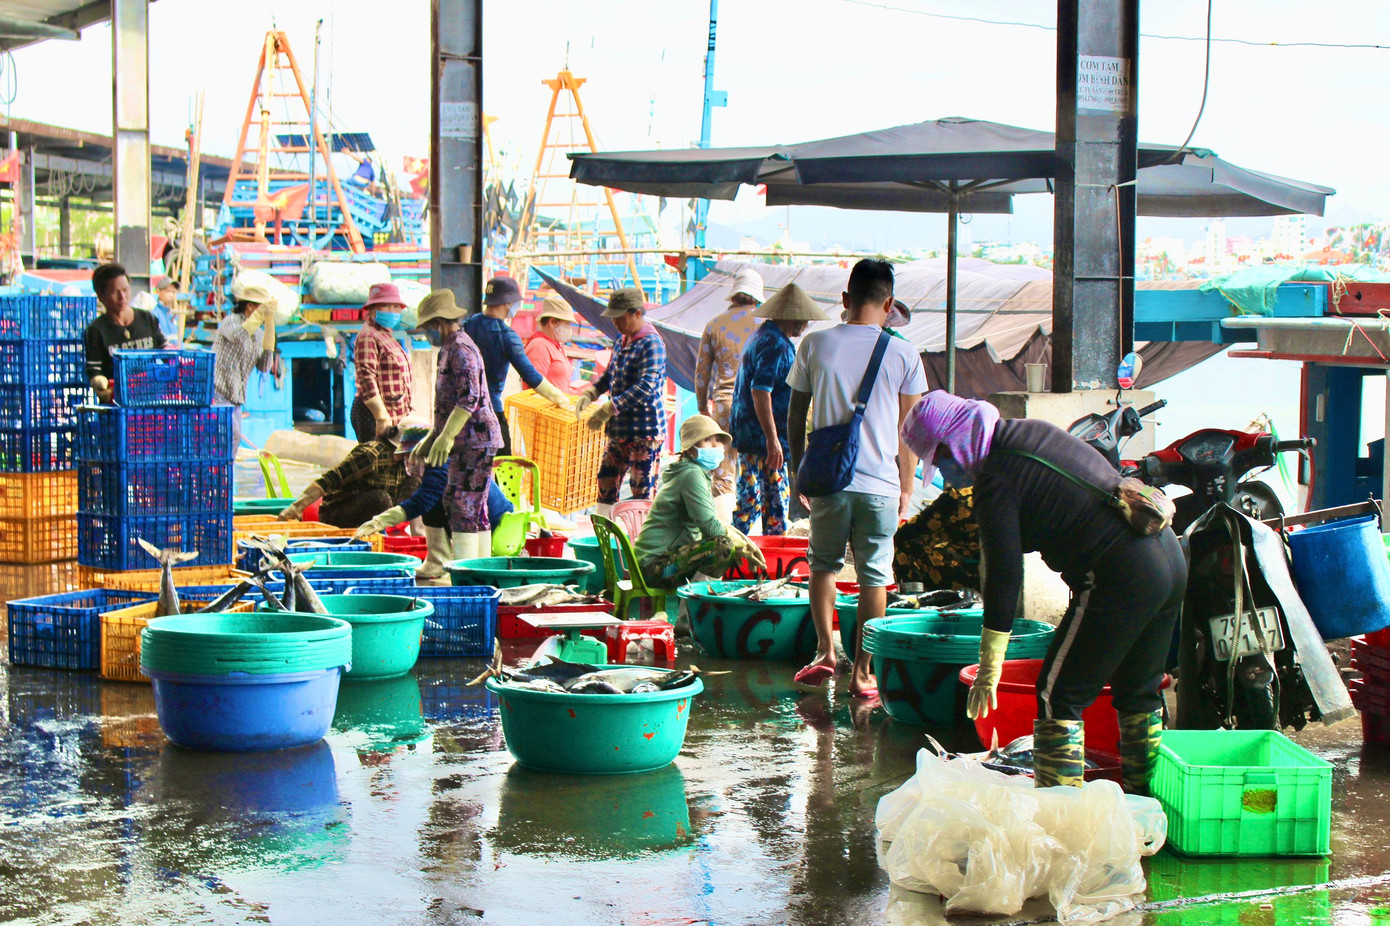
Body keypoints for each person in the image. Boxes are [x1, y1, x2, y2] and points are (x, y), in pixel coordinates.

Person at [900, 391, 1186, 793]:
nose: (946, 472)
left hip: (1119, 574)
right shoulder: (1030, 432)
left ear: (957, 440)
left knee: (1059, 697)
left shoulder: (996, 477)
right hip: (1167, 556)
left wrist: (990, 662)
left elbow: (1003, 575)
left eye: (942, 458)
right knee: (1138, 692)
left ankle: (1060, 810)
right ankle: (1146, 803)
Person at [787, 259, 927, 698]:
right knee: (874, 576)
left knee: (823, 566)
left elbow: (795, 414)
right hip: (881, 485)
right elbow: (911, 430)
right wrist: (907, 485)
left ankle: (825, 651)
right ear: (889, 304)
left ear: (845, 300)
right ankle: (862, 673)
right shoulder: (904, 353)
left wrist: (798, 472)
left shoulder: (815, 343)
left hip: (828, 480)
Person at [351, 427, 515, 583]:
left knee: (431, 504)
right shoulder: (445, 462)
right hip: (482, 522)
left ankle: (461, 571)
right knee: (433, 506)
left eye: (409, 456)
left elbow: (422, 500)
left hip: (498, 526)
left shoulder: (443, 466)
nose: (408, 462)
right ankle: (436, 562)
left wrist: (382, 520)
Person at [728, 282, 827, 537]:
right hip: (763, 439)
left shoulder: (762, 335)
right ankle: (751, 550)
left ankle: (736, 546)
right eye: (804, 320)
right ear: (794, 318)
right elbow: (760, 391)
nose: (805, 325)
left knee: (752, 500)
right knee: (771, 504)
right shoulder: (776, 345)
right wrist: (772, 439)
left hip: (750, 435)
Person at [416, 289, 503, 559]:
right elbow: (447, 403)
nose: (426, 333)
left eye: (426, 327)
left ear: (437, 323)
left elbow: (469, 398)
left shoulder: (461, 349)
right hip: (466, 440)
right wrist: (434, 435)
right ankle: (478, 569)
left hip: (476, 439)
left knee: (463, 504)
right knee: (471, 505)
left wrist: (446, 437)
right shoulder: (448, 347)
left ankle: (466, 573)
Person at [632, 415, 766, 587]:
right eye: (707, 440)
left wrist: (742, 539)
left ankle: (695, 598)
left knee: (726, 544)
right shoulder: (691, 474)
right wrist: (741, 545)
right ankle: (695, 601)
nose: (715, 445)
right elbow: (710, 527)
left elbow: (709, 520)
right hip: (652, 568)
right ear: (690, 448)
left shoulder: (690, 471)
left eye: (718, 440)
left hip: (653, 563)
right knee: (722, 546)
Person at [576, 288, 668, 520]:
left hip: (645, 432)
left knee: (641, 490)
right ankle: (604, 532)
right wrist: (592, 392)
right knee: (606, 481)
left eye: (620, 317)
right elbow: (610, 374)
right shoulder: (621, 340)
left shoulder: (651, 343)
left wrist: (609, 408)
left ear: (637, 314)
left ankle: (641, 537)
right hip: (619, 430)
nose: (615, 322)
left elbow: (646, 386)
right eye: (613, 317)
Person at [463, 276, 569, 456]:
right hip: (490, 410)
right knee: (502, 464)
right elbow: (531, 376)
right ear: (508, 303)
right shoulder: (506, 336)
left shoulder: (470, 323)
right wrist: (561, 399)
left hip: (463, 409)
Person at [695, 268, 764, 505]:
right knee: (751, 472)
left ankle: (722, 523)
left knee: (722, 472)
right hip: (756, 406)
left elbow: (702, 372)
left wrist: (702, 406)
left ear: (733, 295)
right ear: (756, 296)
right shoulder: (765, 326)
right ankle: (748, 523)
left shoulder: (713, 325)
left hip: (723, 405)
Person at [276, 425, 422, 528]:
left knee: (416, 482)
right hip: (338, 512)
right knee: (380, 499)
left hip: (379, 516)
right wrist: (296, 508)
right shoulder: (371, 455)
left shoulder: (406, 465)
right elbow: (328, 480)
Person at [84, 262, 168, 401]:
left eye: (125, 290)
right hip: (118, 401)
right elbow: (94, 370)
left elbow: (166, 351)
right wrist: (100, 385)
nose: (122, 297)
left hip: (151, 397)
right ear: (101, 295)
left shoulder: (147, 319)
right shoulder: (96, 330)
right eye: (114, 292)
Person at [212, 280, 276, 450]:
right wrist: (259, 315)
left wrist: (269, 327)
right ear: (250, 306)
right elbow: (238, 336)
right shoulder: (231, 321)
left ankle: (228, 468)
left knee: (233, 440)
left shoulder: (258, 333)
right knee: (225, 437)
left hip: (236, 396)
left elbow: (264, 366)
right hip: (218, 392)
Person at [351, 282, 414, 443]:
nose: (392, 311)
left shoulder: (385, 335)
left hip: (392, 414)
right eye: (385, 306)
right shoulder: (368, 335)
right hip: (374, 415)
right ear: (372, 309)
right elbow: (366, 377)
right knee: (376, 458)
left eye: (396, 306)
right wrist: (381, 416)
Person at [524, 293, 589, 395]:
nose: (569, 328)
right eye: (567, 323)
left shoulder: (556, 345)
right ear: (553, 322)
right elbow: (534, 388)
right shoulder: (539, 346)